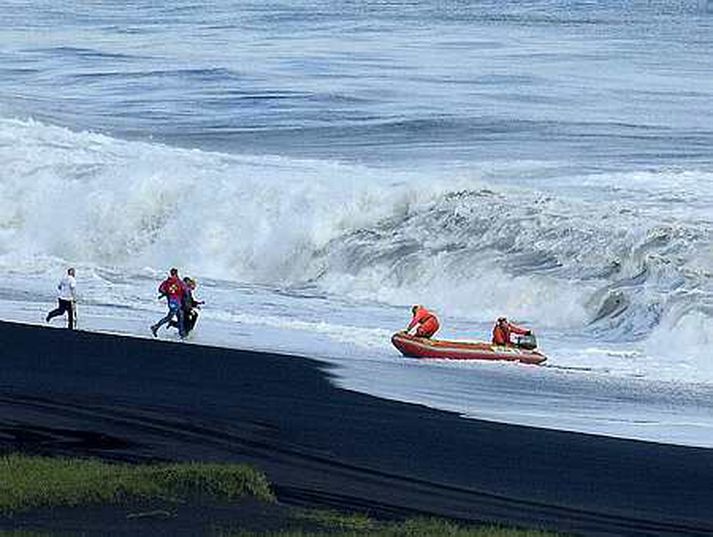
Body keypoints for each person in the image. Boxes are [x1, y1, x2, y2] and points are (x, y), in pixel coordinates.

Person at [151, 268, 189, 338]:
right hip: (176, 302)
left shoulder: (166, 282)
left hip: (172, 302)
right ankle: (155, 327)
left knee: (181, 316)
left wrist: (167, 293)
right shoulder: (180, 282)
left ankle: (182, 333)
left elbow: (160, 289)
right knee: (170, 317)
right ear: (177, 273)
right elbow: (186, 292)